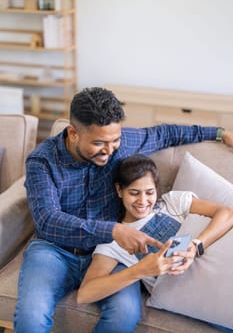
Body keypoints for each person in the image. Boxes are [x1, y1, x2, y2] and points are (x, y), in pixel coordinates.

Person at [14, 87, 233, 333]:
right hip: (54, 251)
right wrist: (114, 230)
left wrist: (220, 133)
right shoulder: (42, 162)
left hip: (111, 255)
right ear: (73, 133)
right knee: (31, 316)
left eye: (114, 140)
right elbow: (47, 220)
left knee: (125, 313)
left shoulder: (122, 144)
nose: (109, 150)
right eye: (98, 143)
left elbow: (166, 134)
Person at [77, 154, 233, 333]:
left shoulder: (173, 203)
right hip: (195, 298)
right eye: (134, 193)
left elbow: (226, 213)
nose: (143, 201)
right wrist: (140, 271)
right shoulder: (115, 240)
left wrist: (196, 245)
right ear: (119, 190)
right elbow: (85, 294)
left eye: (149, 192)